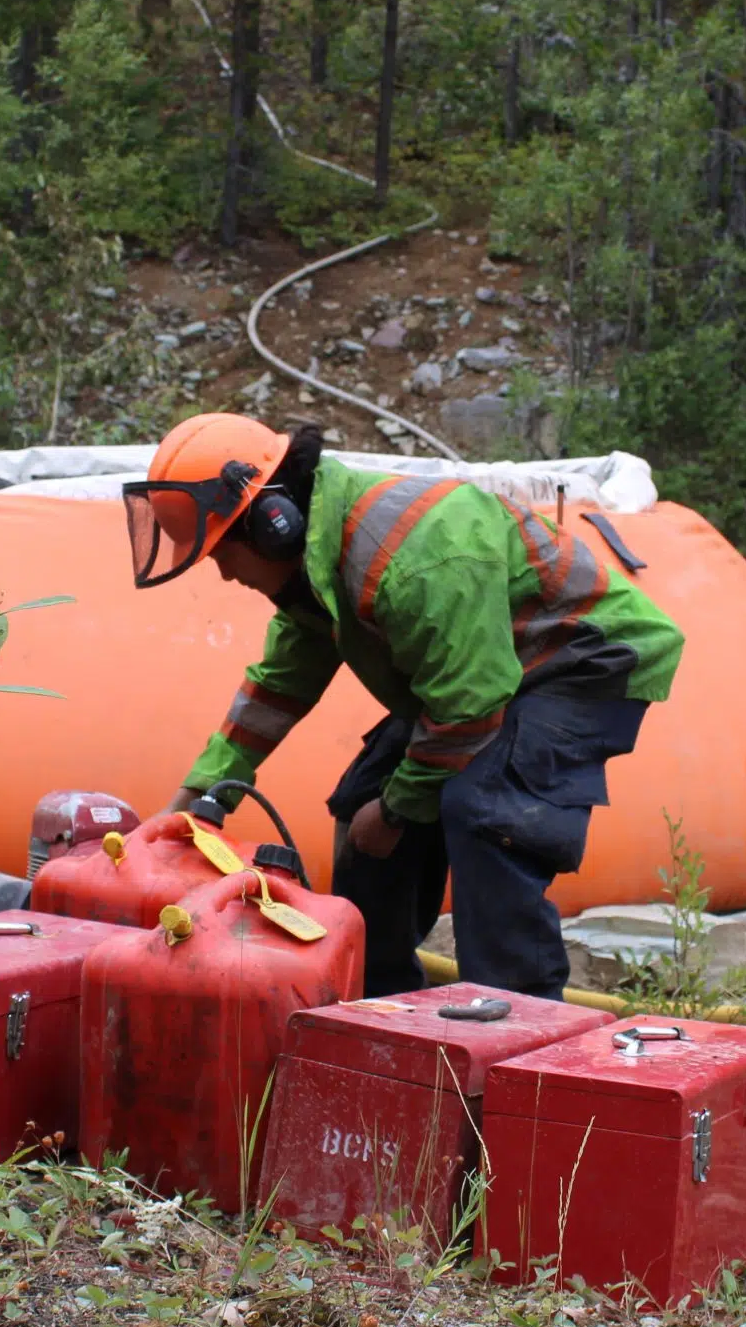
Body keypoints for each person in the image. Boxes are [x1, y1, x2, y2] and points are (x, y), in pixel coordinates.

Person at [123, 412, 683, 1000]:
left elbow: (471, 706)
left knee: (487, 810)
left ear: (273, 523)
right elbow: (279, 685)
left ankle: (519, 1024)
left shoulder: (411, 558)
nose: (224, 573)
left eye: (220, 552)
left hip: (582, 657)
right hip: (488, 670)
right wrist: (194, 803)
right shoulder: (315, 565)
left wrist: (396, 813)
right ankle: (380, 1007)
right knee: (362, 802)